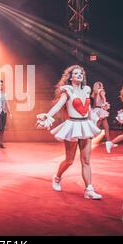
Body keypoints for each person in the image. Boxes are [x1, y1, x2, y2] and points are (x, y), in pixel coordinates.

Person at [36, 65, 102, 200]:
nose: (79, 75)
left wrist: (93, 117)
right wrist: (47, 116)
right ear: (70, 77)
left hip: (85, 125)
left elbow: (88, 108)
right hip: (72, 126)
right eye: (76, 73)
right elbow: (58, 106)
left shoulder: (87, 90)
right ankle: (57, 177)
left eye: (81, 73)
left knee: (86, 161)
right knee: (70, 160)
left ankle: (89, 189)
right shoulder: (68, 91)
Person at [91, 82, 115, 153]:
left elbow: (95, 103)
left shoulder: (94, 93)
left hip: (96, 110)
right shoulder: (101, 91)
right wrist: (105, 104)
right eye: (100, 85)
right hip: (100, 110)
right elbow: (104, 98)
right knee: (101, 127)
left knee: (104, 127)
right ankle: (88, 140)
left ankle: (108, 142)